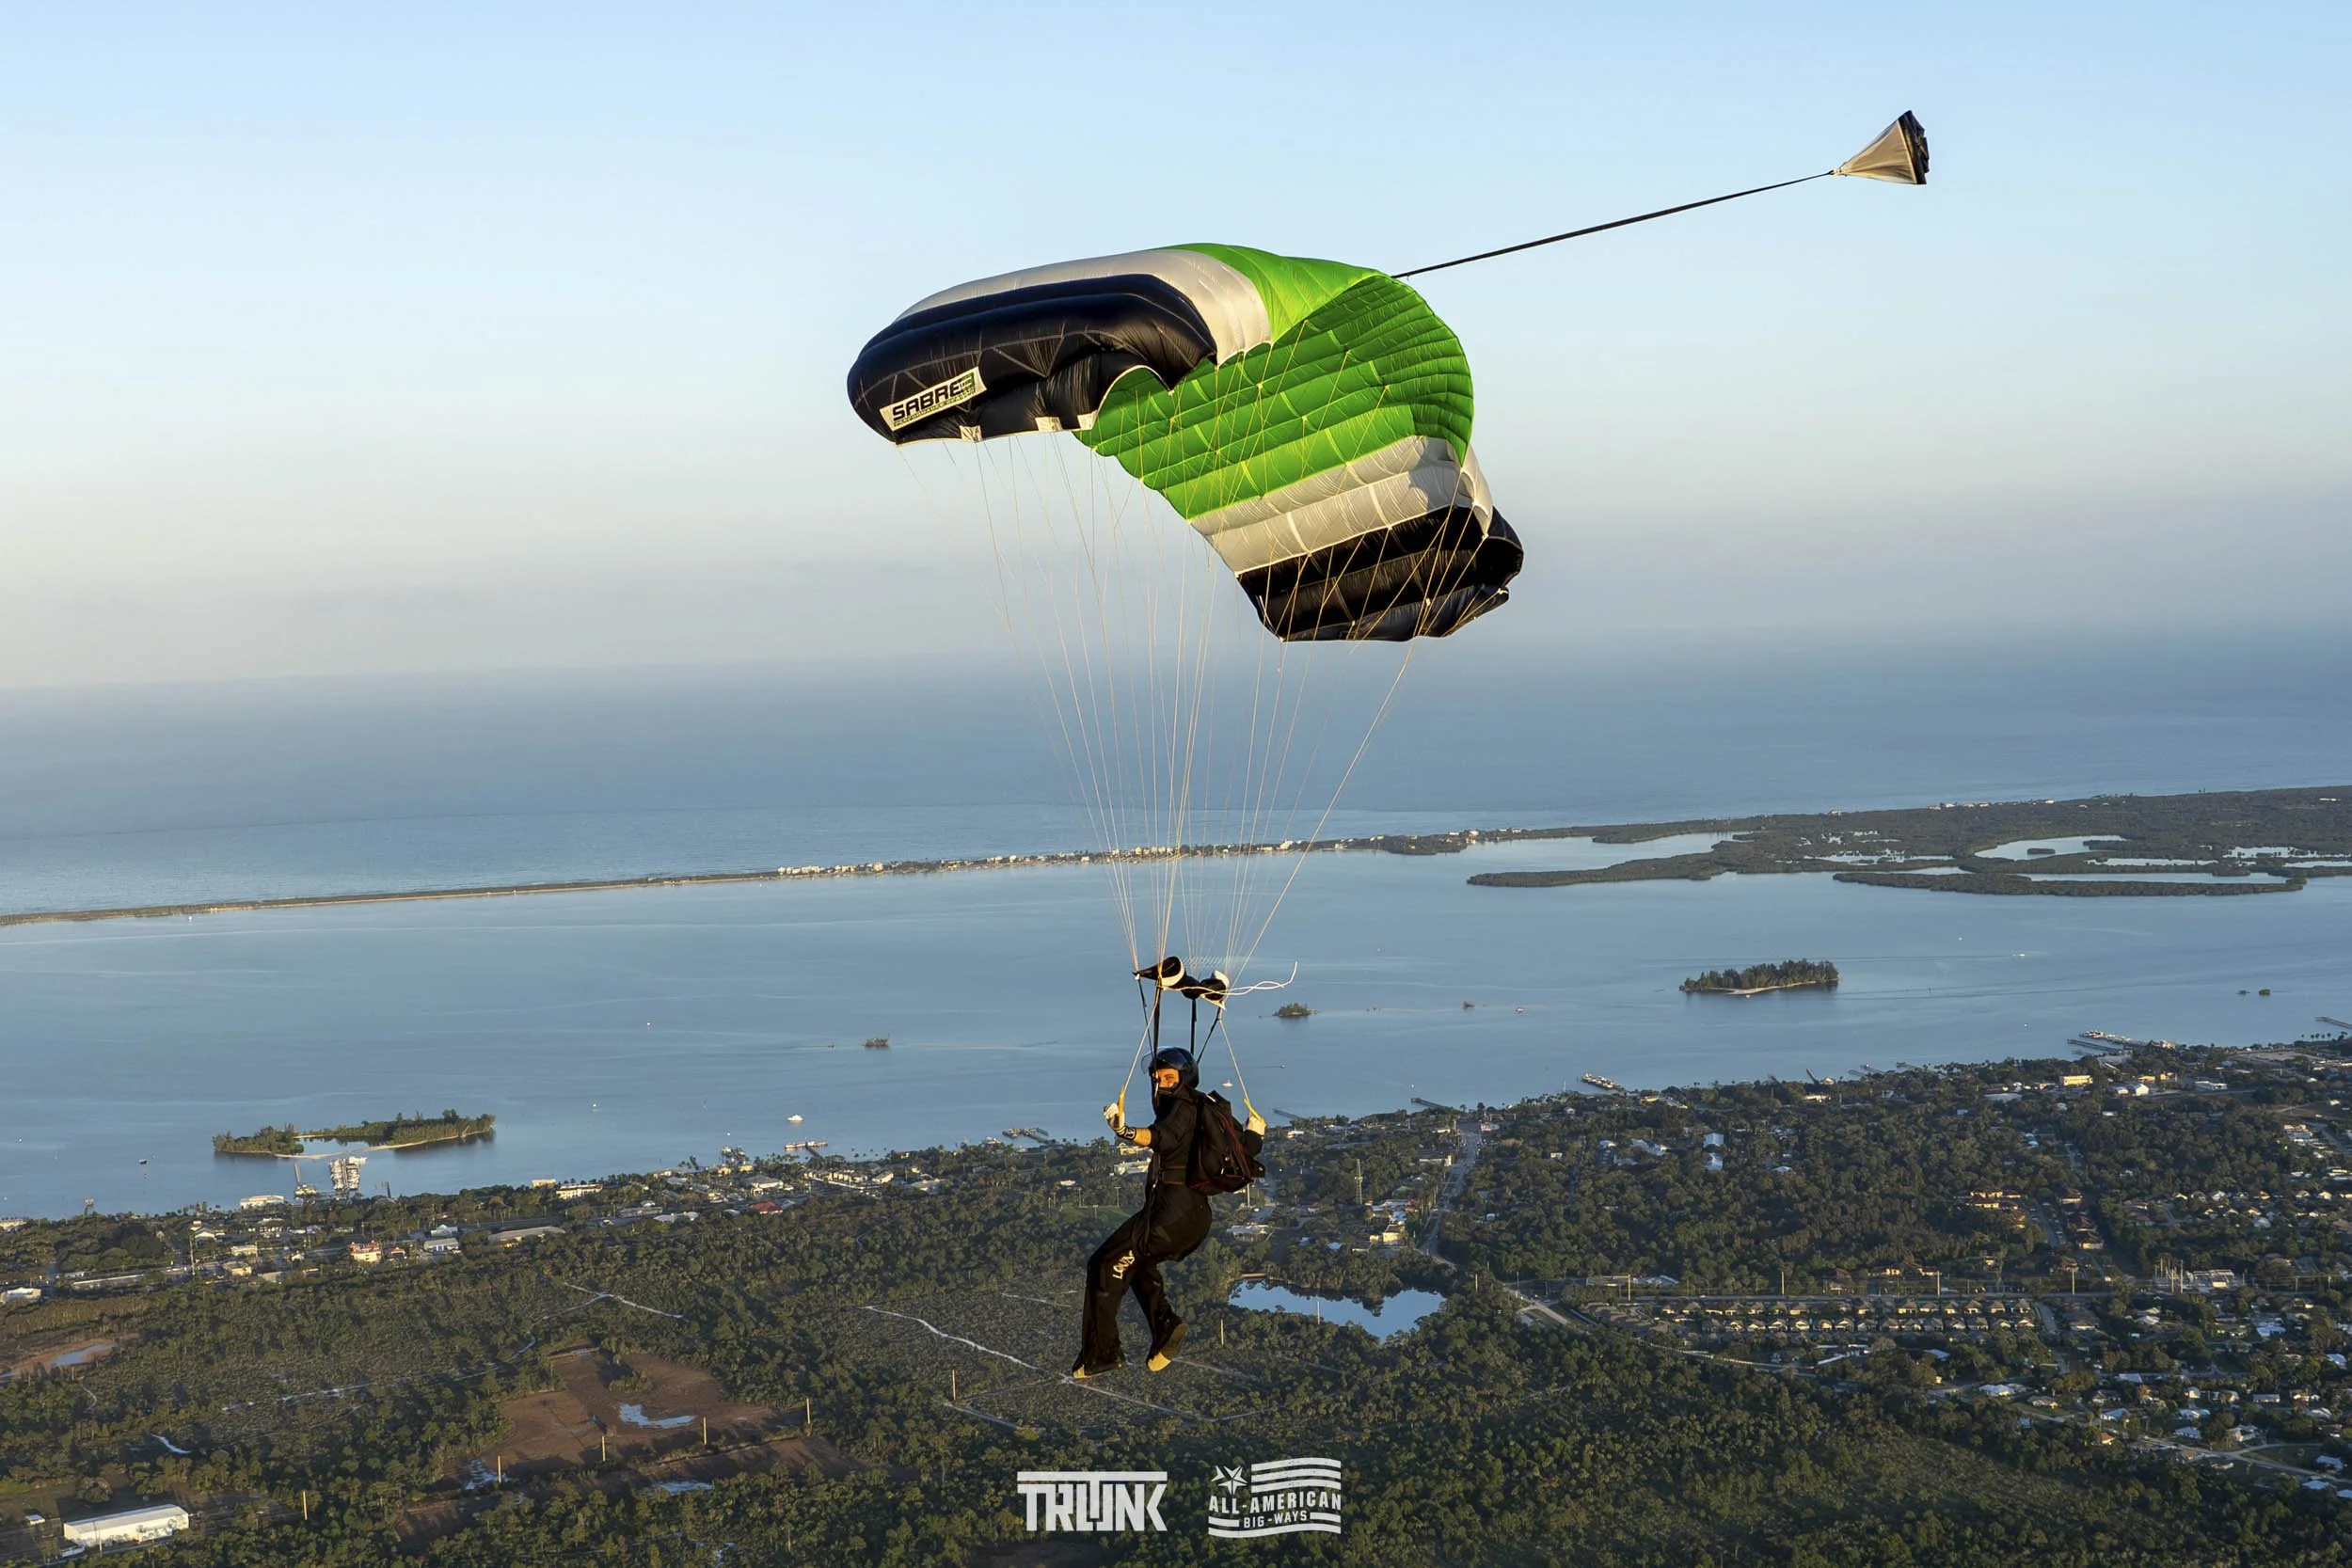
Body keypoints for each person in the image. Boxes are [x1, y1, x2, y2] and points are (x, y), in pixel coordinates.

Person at [1073, 1045, 1255, 1378]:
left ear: (1185, 1078)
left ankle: (1103, 1353)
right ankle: (1165, 1329)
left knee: (1104, 1263)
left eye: (1169, 1078)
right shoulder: (1201, 1107)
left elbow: (1161, 1138)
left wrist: (1124, 1131)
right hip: (1191, 1217)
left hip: (1171, 1213)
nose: (1161, 1085)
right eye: (1157, 1079)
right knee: (1137, 1262)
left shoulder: (1183, 1106)